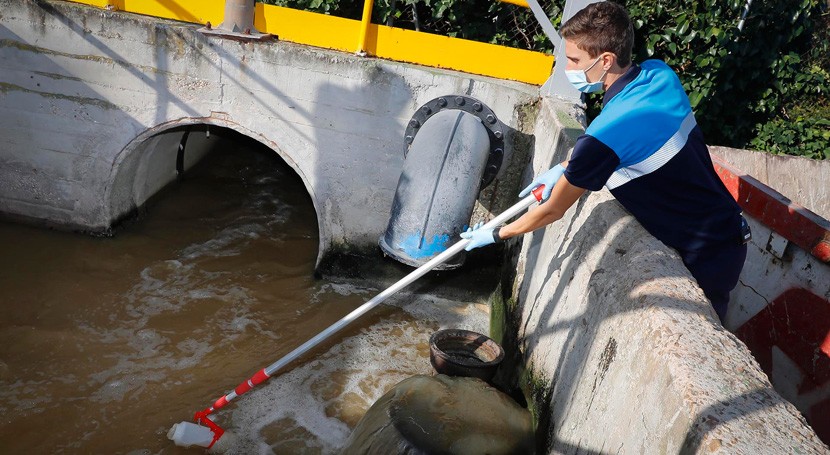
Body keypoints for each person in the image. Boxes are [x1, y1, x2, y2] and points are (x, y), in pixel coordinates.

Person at [460, 1, 748, 322]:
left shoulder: (603, 136)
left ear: (606, 60)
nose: (567, 68)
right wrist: (566, 169)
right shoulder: (659, 74)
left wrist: (497, 233)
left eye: (574, 59)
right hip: (728, 232)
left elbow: (554, 209)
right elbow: (633, 140)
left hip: (706, 253)